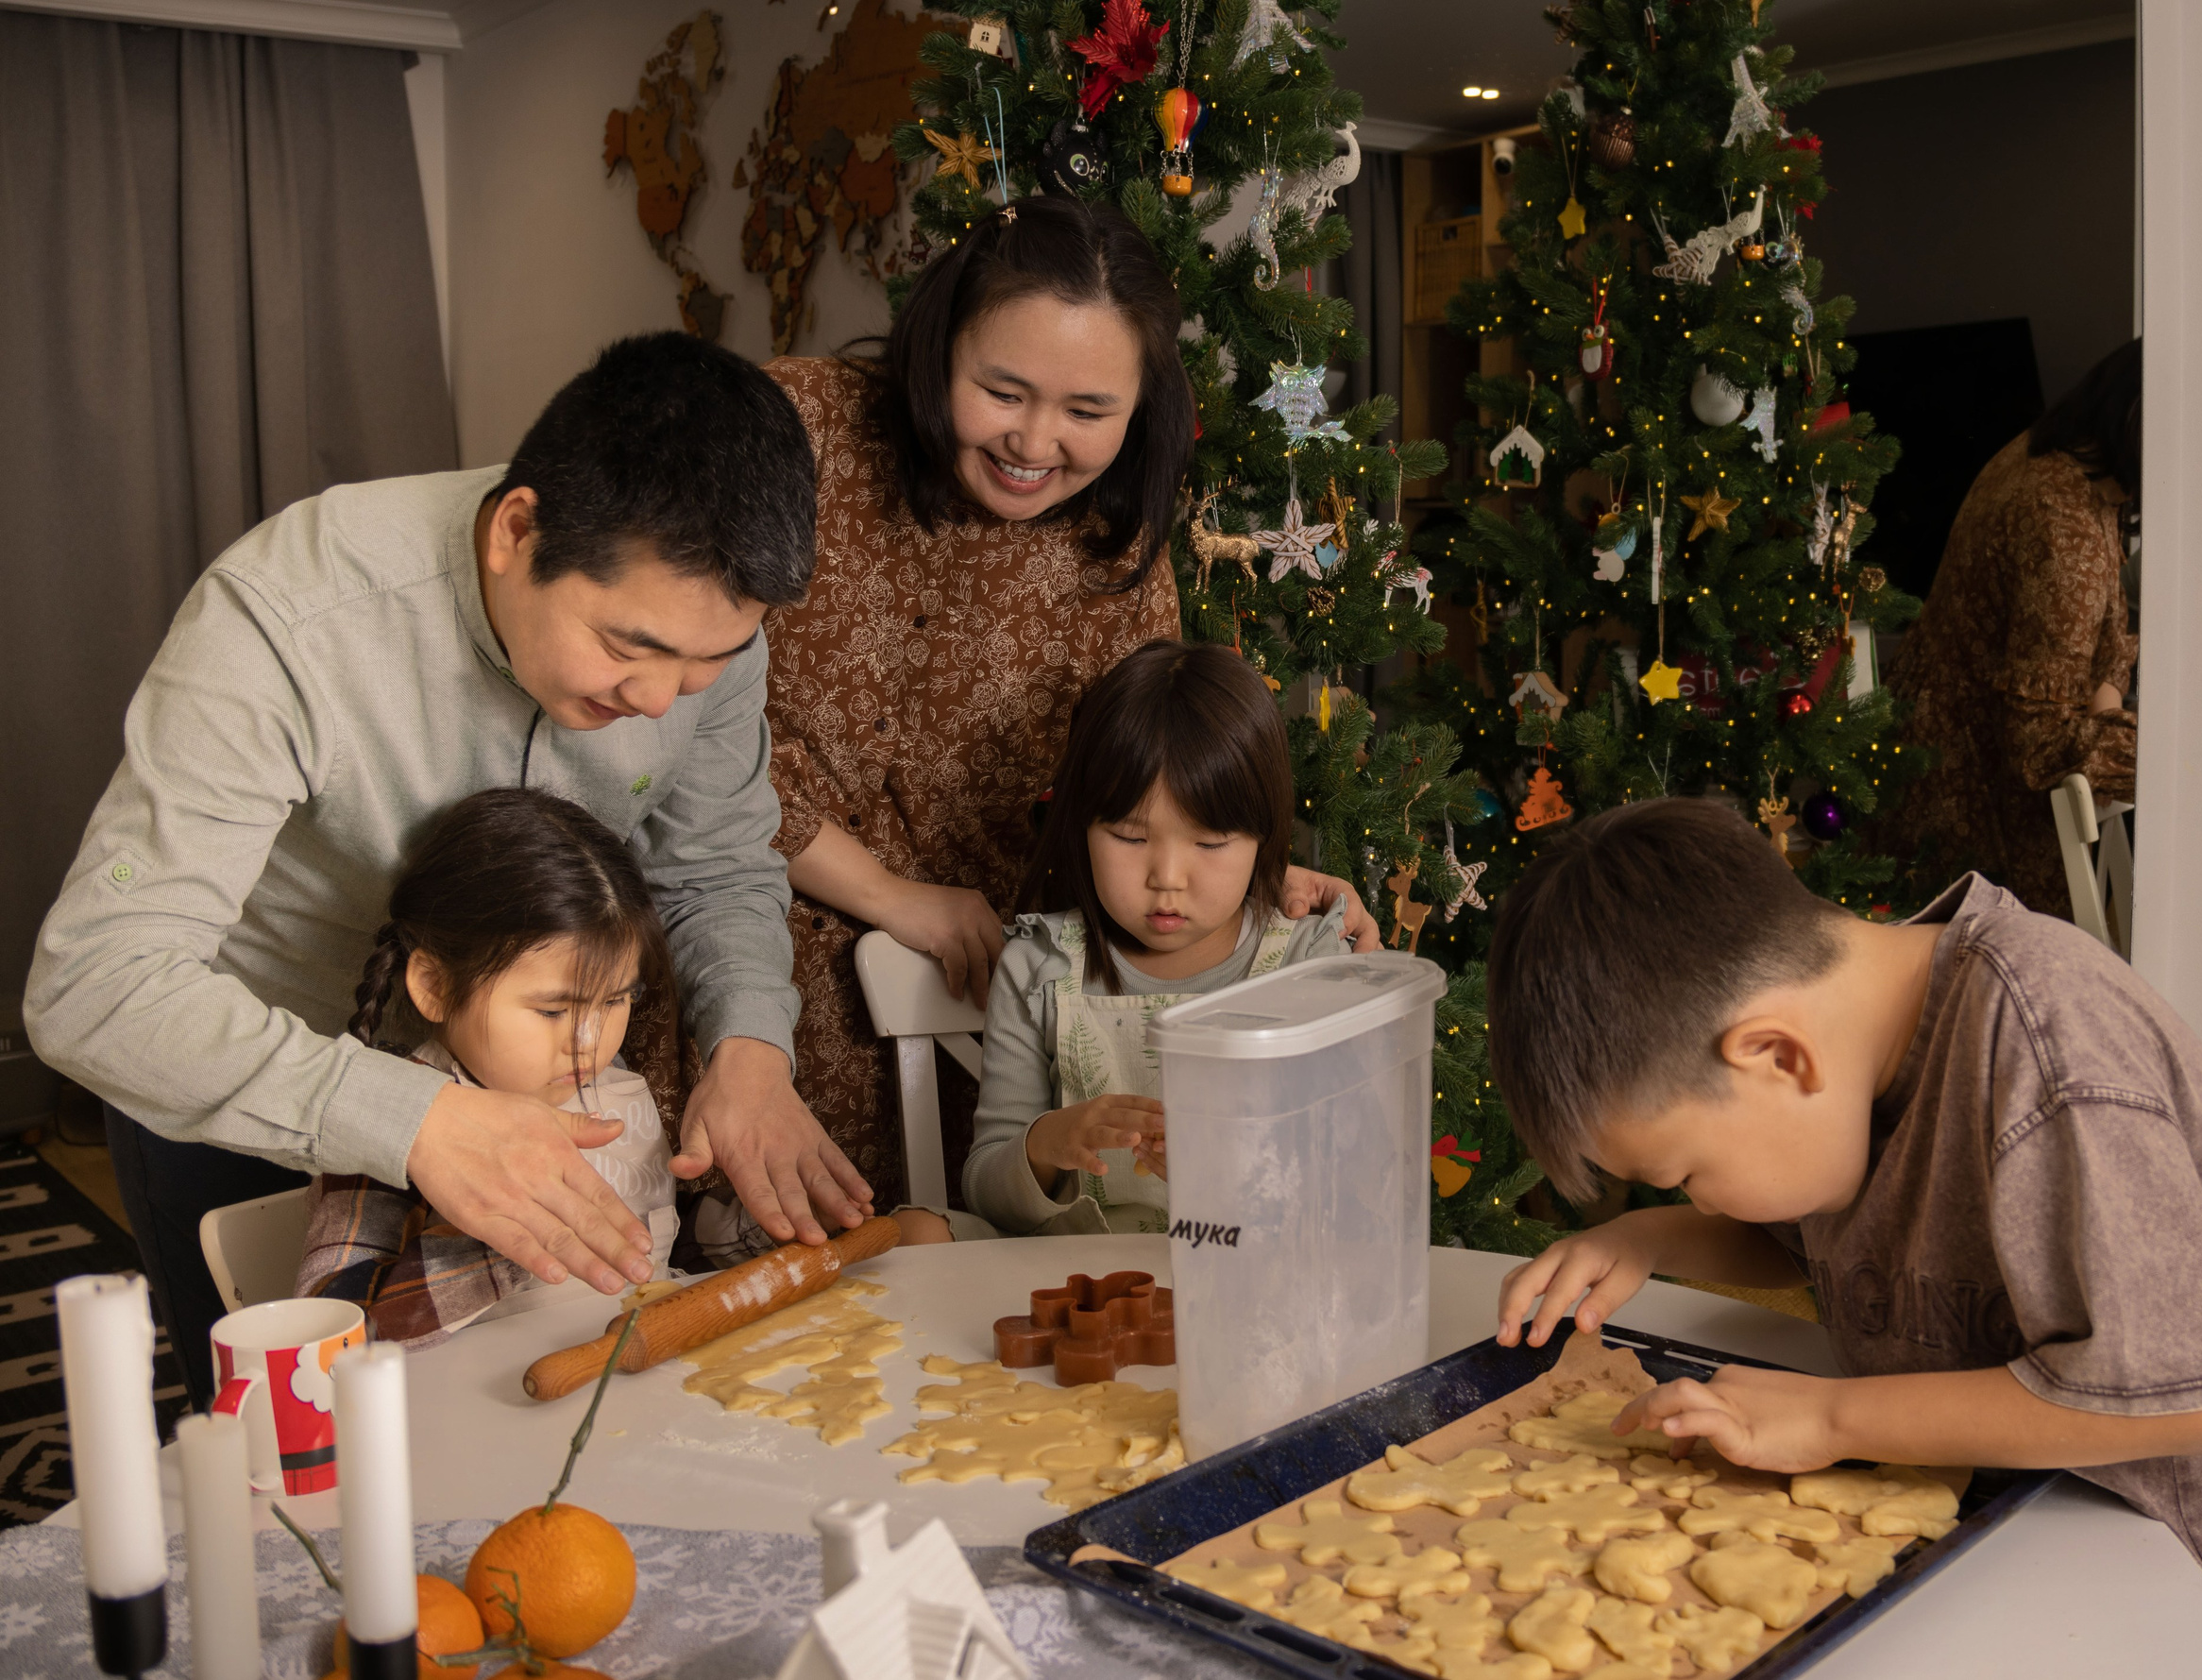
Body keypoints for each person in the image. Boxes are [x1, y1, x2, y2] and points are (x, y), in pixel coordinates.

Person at [25, 333, 870, 1403]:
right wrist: (416, 1117)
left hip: (533, 1103)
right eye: (629, 649)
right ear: (518, 531)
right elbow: (96, 984)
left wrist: (749, 1046)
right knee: (292, 1467)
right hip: (250, 1087)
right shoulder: (287, 615)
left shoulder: (699, 634)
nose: (661, 701)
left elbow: (715, 866)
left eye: (709, 664)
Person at [1486, 800, 2202, 1680]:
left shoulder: (2052, 1045)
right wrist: (1647, 1238)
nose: (1696, 1201)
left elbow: (2195, 1401)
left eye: (1685, 1174)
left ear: (1778, 1056)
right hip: (1981, 1568)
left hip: (2178, 1606)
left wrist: (1828, 1417)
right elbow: (1815, 1240)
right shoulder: (1843, 1060)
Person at [662, 196, 1372, 1219]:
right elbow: (669, 716)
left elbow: (1146, 774)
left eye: (1088, 412)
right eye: (1002, 391)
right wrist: (892, 894)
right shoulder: (798, 425)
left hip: (970, 1003)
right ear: (941, 349)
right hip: (736, 957)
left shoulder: (1120, 550)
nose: (1035, 441)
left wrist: (1243, 868)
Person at [896, 641, 1349, 1243]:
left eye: (1209, 844)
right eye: (1130, 838)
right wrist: (1045, 1143)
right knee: (915, 1231)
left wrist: (1235, 1167)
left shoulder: (1304, 963)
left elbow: (1347, 1171)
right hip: (1073, 1268)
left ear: (1263, 836)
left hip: (1246, 1266)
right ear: (1082, 826)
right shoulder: (1041, 965)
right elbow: (987, 1189)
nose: (1167, 878)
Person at [298, 789, 706, 1347]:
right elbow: (335, 1331)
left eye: (616, 1000)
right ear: (435, 987)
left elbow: (656, 1253)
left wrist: (739, 1219)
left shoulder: (617, 1092)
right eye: (553, 1011)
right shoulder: (384, 1121)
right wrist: (510, 1236)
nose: (589, 1044)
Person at [1876, 338, 2142, 914]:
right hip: (1969, 791)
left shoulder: (2055, 463)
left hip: (1941, 751)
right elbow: (2039, 741)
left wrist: (2109, 717)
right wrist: (2166, 754)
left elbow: (2104, 640)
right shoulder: (2058, 515)